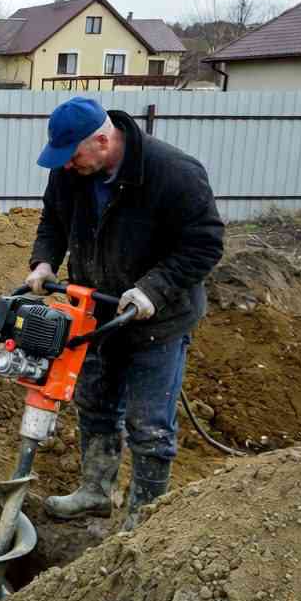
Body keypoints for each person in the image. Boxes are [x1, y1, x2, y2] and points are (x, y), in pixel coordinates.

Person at [26, 96, 224, 530]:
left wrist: (153, 289)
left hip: (158, 321)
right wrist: (44, 262)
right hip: (97, 314)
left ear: (102, 140)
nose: (66, 165)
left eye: (73, 155)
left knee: (149, 425)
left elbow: (205, 244)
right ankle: (96, 492)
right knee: (95, 405)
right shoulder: (71, 173)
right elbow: (53, 221)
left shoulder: (174, 173)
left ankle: (143, 521)